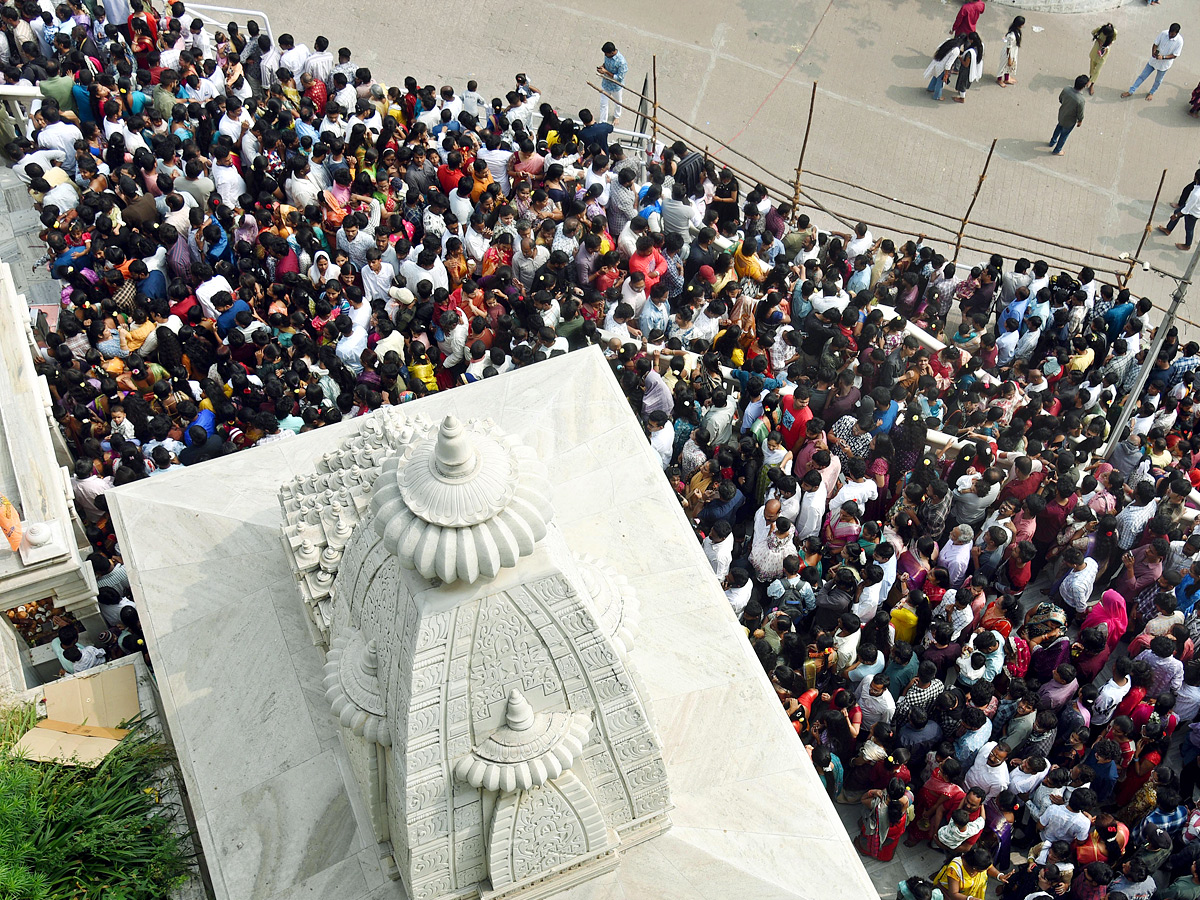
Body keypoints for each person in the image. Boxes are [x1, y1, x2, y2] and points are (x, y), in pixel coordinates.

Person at [1122, 23, 1183, 101]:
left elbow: (1175, 55)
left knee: (1158, 80)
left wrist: (1163, 57)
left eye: (1172, 34)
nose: (1170, 35)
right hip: (1154, 61)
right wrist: (1153, 52)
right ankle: (1131, 91)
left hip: (1164, 65)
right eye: (1170, 33)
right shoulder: (1164, 33)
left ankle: (1151, 92)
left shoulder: (1179, 41)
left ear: (1176, 33)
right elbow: (1155, 44)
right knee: (1142, 76)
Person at [1158, 169, 1200, 252]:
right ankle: (1168, 229)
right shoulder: (1196, 188)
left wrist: (1177, 215)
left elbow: (1187, 209)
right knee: (1176, 211)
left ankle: (1187, 245)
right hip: (1191, 207)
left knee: (1189, 228)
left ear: (1195, 177)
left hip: (1192, 213)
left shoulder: (1196, 194)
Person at [1050, 75, 1089, 157]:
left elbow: (1060, 99)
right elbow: (1080, 114)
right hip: (1070, 121)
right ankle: (1057, 150)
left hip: (1062, 114)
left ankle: (1052, 141)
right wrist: (1080, 121)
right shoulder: (1081, 100)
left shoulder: (1066, 89)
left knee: (1058, 127)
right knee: (1064, 135)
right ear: (1084, 86)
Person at [925, 36, 966, 102]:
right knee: (940, 81)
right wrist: (946, 75)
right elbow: (948, 64)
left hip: (937, 62)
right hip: (942, 67)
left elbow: (939, 47)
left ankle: (931, 88)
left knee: (935, 76)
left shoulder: (949, 41)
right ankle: (937, 96)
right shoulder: (956, 51)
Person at [596, 41, 627, 125]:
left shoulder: (621, 62)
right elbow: (606, 63)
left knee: (617, 102)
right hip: (606, 84)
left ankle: (617, 116)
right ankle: (603, 122)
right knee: (603, 104)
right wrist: (602, 67)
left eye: (606, 54)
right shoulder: (607, 55)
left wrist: (606, 71)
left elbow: (619, 78)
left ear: (612, 52)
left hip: (615, 87)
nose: (605, 55)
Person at [952, 33, 984, 103]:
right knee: (964, 82)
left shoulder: (970, 53)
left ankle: (962, 98)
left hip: (966, 70)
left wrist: (960, 58)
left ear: (972, 40)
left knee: (962, 82)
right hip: (972, 67)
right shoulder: (980, 46)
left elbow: (966, 64)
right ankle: (961, 93)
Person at [1087, 23, 1117, 95]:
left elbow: (1113, 40)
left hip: (1104, 52)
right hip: (1096, 49)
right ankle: (1090, 80)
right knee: (1092, 67)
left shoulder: (1114, 32)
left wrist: (1106, 47)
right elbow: (1093, 32)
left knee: (1097, 70)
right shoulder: (1100, 29)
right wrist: (1098, 40)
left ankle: (1091, 84)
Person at [996, 17, 1024, 86]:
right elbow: (1008, 48)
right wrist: (1009, 58)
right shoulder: (1011, 36)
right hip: (1008, 53)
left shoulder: (1017, 32)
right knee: (1003, 66)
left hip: (1013, 51)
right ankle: (999, 79)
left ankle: (1006, 78)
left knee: (1009, 66)